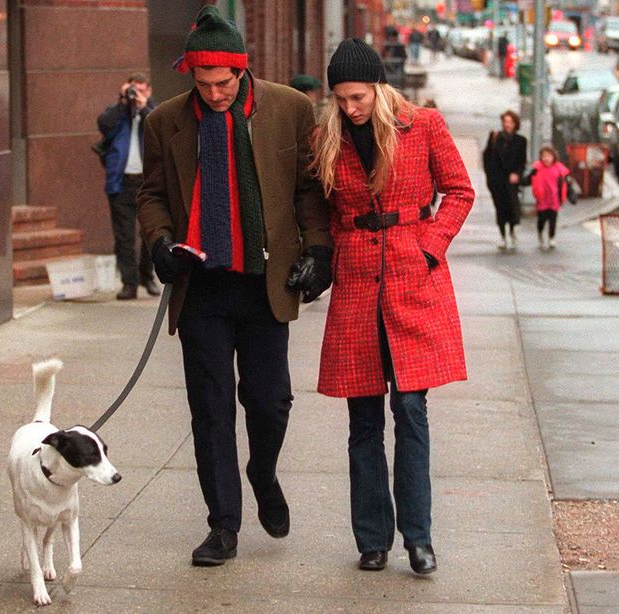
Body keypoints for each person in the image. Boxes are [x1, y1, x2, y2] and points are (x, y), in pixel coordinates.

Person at [136, 6, 332, 567]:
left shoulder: (289, 109)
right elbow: (150, 195)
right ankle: (223, 524)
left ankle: (263, 473)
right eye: (204, 85)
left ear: (242, 71)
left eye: (224, 83)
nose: (216, 94)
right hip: (202, 289)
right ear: (190, 77)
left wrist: (318, 251)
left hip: (265, 282)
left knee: (270, 403)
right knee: (211, 409)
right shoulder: (165, 122)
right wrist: (160, 243)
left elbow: (308, 190)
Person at [311, 38, 474, 575]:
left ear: (378, 90)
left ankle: (419, 538)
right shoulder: (327, 135)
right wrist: (331, 254)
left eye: (356, 97)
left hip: (411, 274)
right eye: (340, 98)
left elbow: (459, 190)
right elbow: (326, 211)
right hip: (357, 281)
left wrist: (430, 245)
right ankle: (372, 539)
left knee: (410, 411)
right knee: (362, 420)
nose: (348, 107)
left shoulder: (422, 125)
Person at [97, 73, 159, 300]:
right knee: (124, 237)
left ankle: (147, 276)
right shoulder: (118, 113)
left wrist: (142, 108)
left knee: (150, 234)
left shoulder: (155, 112)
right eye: (134, 90)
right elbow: (104, 125)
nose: (137, 95)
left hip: (148, 184)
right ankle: (129, 283)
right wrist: (123, 101)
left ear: (149, 91)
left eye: (141, 91)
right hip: (121, 183)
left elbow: (159, 130)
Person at [482, 110, 527, 251]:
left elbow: (522, 161)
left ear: (515, 124)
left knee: (512, 207)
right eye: (505, 122)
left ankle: (512, 231)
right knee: (500, 208)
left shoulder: (521, 140)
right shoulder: (496, 137)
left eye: (510, 122)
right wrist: (490, 176)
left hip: (511, 179)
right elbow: (487, 157)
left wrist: (517, 174)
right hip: (497, 179)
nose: (507, 125)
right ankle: (503, 235)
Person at [524, 145, 571, 250]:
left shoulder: (559, 169)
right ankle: (540, 234)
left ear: (553, 157)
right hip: (542, 200)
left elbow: (566, 183)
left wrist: (570, 194)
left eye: (548, 156)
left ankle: (551, 238)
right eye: (544, 156)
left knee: (553, 220)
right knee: (542, 220)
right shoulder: (537, 169)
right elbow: (528, 179)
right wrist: (522, 181)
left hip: (554, 199)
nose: (546, 158)